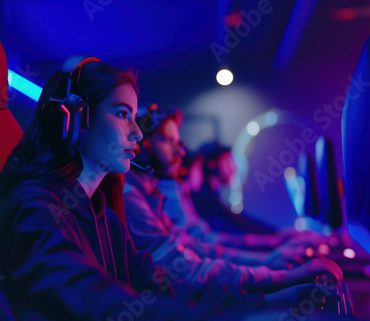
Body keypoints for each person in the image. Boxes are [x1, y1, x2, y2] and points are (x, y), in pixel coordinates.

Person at [0, 57, 336, 321]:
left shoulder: (103, 217)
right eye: (122, 113)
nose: (137, 132)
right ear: (74, 119)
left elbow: (162, 286)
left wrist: (269, 303)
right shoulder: (34, 207)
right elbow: (95, 302)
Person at [124, 105, 341, 292]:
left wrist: (273, 251)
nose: (179, 153)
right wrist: (272, 263)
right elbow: (191, 261)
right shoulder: (139, 195)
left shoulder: (153, 196)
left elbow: (204, 248)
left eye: (177, 142)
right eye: (167, 140)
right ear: (143, 147)